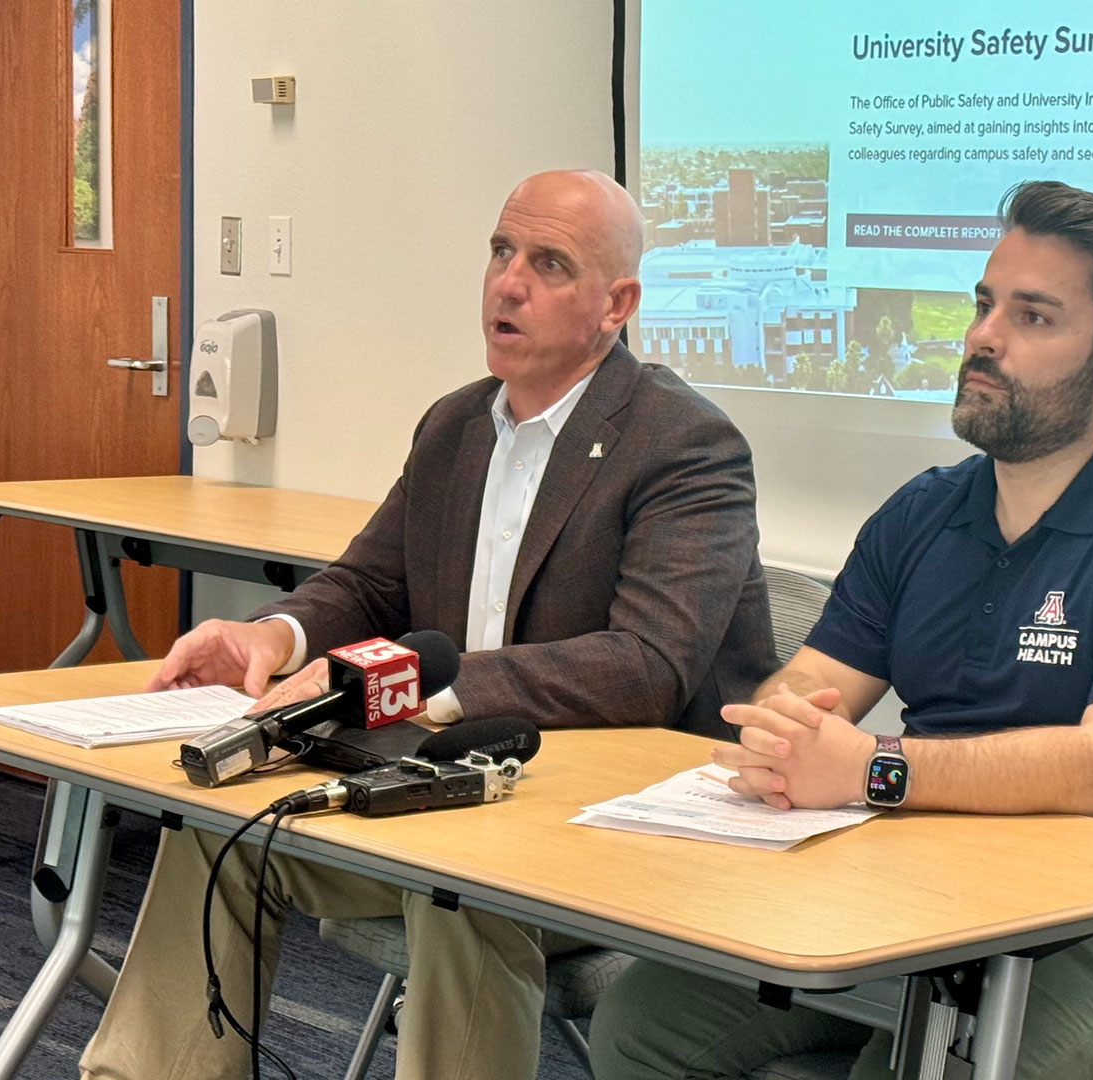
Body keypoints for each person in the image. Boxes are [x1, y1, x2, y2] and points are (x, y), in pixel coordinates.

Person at [79, 170, 775, 1080]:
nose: (508, 283)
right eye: (500, 252)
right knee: (221, 826)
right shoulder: (455, 427)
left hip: (620, 825)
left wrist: (419, 686)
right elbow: (369, 582)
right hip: (456, 788)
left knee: (465, 888)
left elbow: (645, 667)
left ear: (619, 305)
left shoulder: (683, 444)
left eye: (548, 263)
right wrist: (271, 638)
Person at [587, 180, 1093, 1080]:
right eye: (986, 304)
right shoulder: (925, 511)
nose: (984, 336)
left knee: (917, 1073)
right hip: (918, 896)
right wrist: (783, 734)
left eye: (1034, 317)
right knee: (643, 1023)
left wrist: (872, 768)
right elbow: (806, 687)